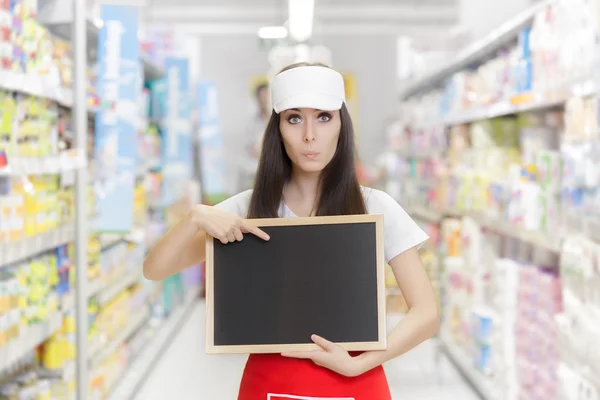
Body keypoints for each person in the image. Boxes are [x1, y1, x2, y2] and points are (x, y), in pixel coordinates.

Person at [143, 62, 440, 400]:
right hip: (270, 384)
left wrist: (361, 364)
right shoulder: (248, 209)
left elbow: (426, 312)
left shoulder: (375, 206)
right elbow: (155, 269)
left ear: (342, 125)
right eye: (295, 118)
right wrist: (195, 216)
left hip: (356, 381)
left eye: (324, 117)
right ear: (277, 129)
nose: (309, 135)